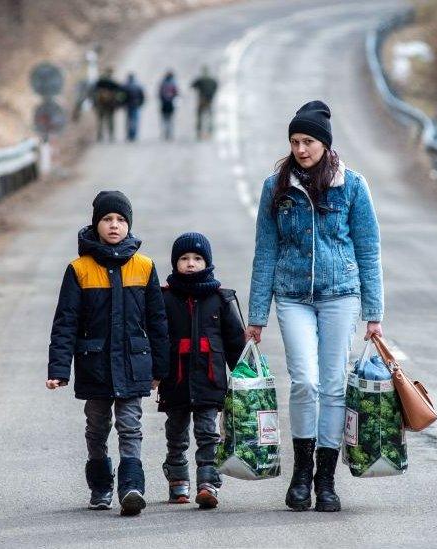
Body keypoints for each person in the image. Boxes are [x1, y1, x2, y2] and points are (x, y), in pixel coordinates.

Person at [246, 100, 384, 513]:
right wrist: (256, 316)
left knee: (334, 385)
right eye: (294, 141)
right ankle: (301, 474)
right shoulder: (276, 187)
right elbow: (265, 251)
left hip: (341, 294)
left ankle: (326, 480)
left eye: (308, 141)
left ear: (324, 143)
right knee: (304, 381)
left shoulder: (352, 186)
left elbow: (368, 249)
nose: (301, 149)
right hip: (292, 296)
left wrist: (373, 313)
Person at [47, 190, 169, 516]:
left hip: (133, 364)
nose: (114, 225)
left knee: (130, 425)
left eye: (120, 220)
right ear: (96, 224)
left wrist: (160, 368)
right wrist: (59, 369)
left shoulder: (144, 267)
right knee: (97, 426)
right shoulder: (80, 269)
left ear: (129, 225)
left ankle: (131, 487)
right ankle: (101, 486)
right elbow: (66, 322)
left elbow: (157, 322)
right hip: (95, 365)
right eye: (107, 219)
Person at [157, 232, 246, 509]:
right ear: (175, 264)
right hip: (176, 380)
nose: (191, 263)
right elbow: (156, 339)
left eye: (197, 258)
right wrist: (154, 373)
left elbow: (235, 342)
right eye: (184, 259)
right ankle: (177, 480)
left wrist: (244, 375)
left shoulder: (220, 298)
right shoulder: (165, 298)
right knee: (176, 432)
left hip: (210, 380)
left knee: (208, 432)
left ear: (207, 262)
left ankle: (208, 483)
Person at [93, 68, 123, 142]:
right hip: (110, 105)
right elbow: (119, 94)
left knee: (100, 121)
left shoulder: (99, 82)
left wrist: (95, 104)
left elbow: (94, 93)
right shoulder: (114, 83)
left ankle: (100, 136)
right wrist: (118, 104)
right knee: (110, 121)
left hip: (100, 105)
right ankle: (111, 136)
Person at [190, 66, 218, 140]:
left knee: (199, 116)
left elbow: (192, 86)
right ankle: (210, 131)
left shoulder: (200, 80)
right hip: (209, 101)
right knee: (209, 116)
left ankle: (199, 132)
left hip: (201, 100)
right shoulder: (212, 80)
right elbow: (216, 86)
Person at [122, 73, 145, 142]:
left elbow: (121, 97)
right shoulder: (138, 85)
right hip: (136, 106)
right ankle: (134, 135)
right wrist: (140, 104)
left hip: (128, 106)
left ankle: (129, 134)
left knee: (128, 121)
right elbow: (142, 96)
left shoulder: (125, 86)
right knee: (135, 121)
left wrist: (123, 104)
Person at [158, 70, 179, 141]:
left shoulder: (163, 83)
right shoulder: (173, 83)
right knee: (170, 119)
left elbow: (159, 94)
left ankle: (165, 133)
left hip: (164, 104)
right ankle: (169, 133)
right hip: (171, 104)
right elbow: (177, 93)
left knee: (164, 119)